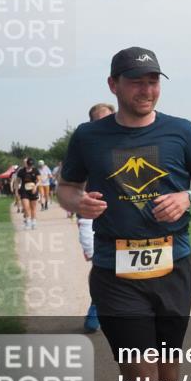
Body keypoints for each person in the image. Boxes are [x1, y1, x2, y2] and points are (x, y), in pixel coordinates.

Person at [58, 47, 191, 381]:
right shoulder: (89, 137)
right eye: (136, 81)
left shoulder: (180, 131)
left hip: (173, 267)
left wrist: (187, 198)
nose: (146, 89)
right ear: (114, 85)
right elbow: (66, 187)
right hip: (116, 272)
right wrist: (79, 202)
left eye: (153, 81)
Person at [77, 102, 117, 333]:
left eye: (108, 119)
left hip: (123, 218)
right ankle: (96, 304)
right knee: (100, 265)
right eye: (98, 120)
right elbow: (68, 186)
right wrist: (79, 200)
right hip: (91, 218)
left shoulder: (129, 143)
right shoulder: (83, 148)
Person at [16, 157, 40, 229]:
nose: (30, 166)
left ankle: (34, 222)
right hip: (24, 190)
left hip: (33, 190)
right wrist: (17, 190)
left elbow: (39, 180)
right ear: (26, 164)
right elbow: (17, 181)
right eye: (28, 164)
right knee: (26, 208)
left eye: (31, 165)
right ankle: (28, 222)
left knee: (33, 208)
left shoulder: (35, 170)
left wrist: (35, 186)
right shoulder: (21, 171)